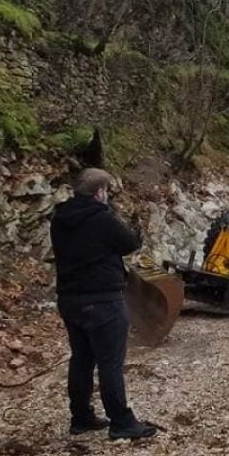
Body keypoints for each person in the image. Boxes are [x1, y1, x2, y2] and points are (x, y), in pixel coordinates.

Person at [50, 168, 156, 440]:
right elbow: (129, 243)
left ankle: (81, 417)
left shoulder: (59, 219)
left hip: (70, 299)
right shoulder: (102, 219)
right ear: (100, 192)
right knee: (110, 363)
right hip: (103, 299)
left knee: (82, 359)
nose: (107, 196)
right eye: (106, 191)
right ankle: (121, 421)